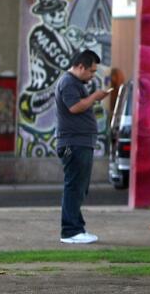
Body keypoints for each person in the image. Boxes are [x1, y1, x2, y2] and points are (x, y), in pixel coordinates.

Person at [55, 49, 110, 244]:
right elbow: (74, 107)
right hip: (73, 144)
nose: (92, 75)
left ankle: (76, 228)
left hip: (80, 143)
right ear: (80, 67)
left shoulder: (75, 82)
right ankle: (71, 231)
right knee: (74, 186)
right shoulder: (69, 82)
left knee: (79, 186)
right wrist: (95, 97)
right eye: (91, 71)